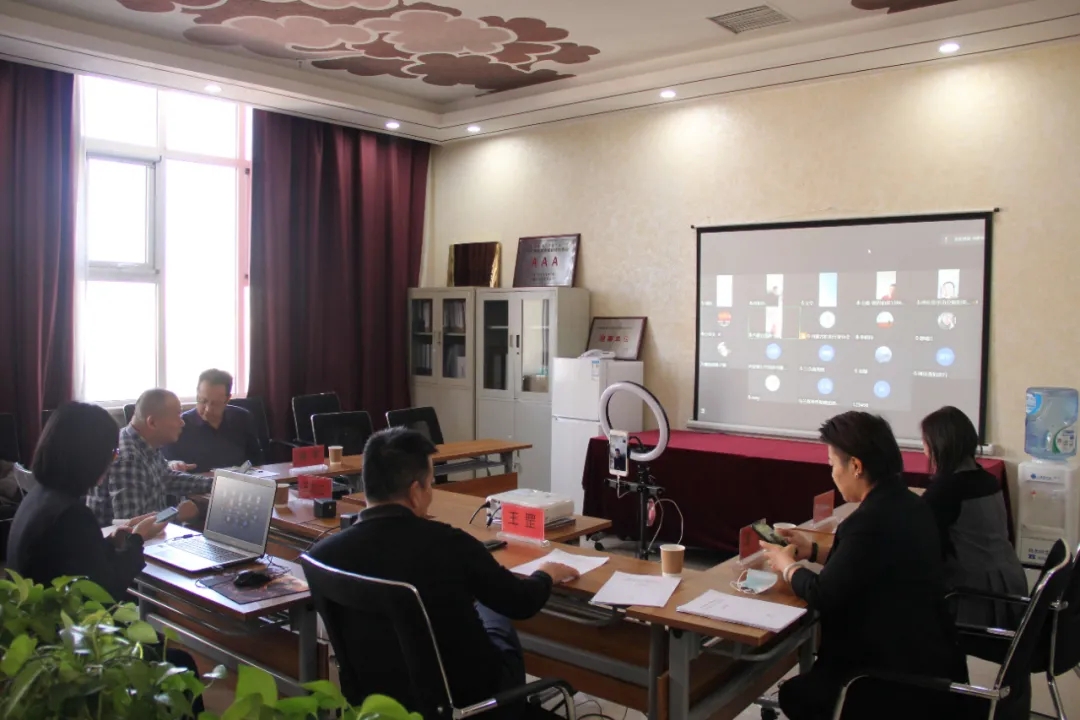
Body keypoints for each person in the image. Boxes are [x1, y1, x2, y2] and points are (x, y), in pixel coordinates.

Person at [307, 428, 580, 708]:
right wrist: (546, 573)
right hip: (468, 701)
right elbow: (520, 602)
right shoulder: (450, 545)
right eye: (431, 485)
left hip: (380, 705)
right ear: (415, 492)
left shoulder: (323, 555)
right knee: (493, 611)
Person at [760, 411, 967, 720]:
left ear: (856, 466)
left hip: (881, 679)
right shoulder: (911, 505)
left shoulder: (868, 521)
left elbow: (822, 594)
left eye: (833, 464)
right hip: (927, 660)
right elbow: (870, 563)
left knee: (796, 694)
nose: (832, 474)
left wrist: (786, 564)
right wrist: (812, 551)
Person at [6, 402, 204, 715]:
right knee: (180, 664)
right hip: (77, 648)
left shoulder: (39, 497)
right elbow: (105, 590)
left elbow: (74, 562)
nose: (113, 460)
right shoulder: (73, 514)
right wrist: (137, 540)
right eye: (111, 452)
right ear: (87, 455)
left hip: (43, 634)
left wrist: (115, 540)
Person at [921, 406, 1027, 627]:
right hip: (1012, 584)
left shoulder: (946, 490)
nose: (924, 450)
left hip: (975, 598)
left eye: (925, 442)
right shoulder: (987, 479)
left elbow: (924, 545)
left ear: (939, 445)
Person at [86, 389, 211, 526]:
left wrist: (214, 485)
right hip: (127, 538)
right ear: (152, 423)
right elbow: (133, 525)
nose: (182, 422)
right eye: (177, 415)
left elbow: (167, 477)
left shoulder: (144, 443)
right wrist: (176, 513)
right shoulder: (128, 459)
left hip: (152, 534)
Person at [163, 369, 262, 472]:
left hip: (237, 480)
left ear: (227, 399)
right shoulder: (180, 424)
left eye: (215, 403)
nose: (208, 409)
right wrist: (173, 464)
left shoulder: (242, 418)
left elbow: (256, 460)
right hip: (196, 481)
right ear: (197, 395)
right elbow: (166, 462)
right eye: (203, 401)